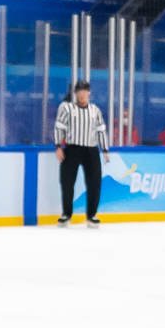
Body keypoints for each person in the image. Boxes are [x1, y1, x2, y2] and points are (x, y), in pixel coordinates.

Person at [53, 79, 109, 226]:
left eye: (85, 90)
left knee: (94, 182)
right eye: (79, 91)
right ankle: (66, 214)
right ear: (76, 93)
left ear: (89, 93)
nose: (82, 93)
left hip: (91, 150)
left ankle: (91, 215)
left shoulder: (95, 110)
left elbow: (101, 130)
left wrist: (105, 149)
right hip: (72, 148)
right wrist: (58, 146)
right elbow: (60, 127)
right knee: (67, 181)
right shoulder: (68, 109)